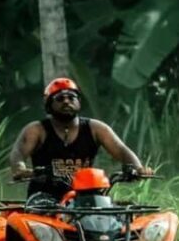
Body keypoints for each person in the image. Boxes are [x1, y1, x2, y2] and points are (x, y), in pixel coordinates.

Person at [10, 77, 153, 200]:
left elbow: (121, 150)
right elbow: (18, 153)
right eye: (59, 98)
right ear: (49, 105)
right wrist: (20, 169)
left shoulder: (96, 128)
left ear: (78, 102)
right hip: (43, 197)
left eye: (71, 97)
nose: (66, 102)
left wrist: (138, 168)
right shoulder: (36, 129)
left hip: (86, 196)